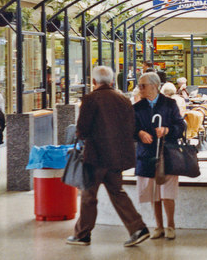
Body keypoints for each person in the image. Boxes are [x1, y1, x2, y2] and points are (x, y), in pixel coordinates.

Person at [67, 66, 150, 247]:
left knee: (89, 195)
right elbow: (131, 126)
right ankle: (138, 228)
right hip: (116, 156)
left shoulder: (90, 99)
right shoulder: (123, 99)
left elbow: (83, 129)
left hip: (96, 156)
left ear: (94, 82)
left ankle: (82, 234)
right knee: (117, 192)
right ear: (112, 81)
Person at [134, 72, 186, 241]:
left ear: (155, 86)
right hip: (147, 154)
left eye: (143, 85)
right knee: (153, 193)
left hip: (167, 153)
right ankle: (158, 226)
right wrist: (139, 133)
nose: (140, 88)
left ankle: (171, 225)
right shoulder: (137, 107)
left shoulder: (169, 104)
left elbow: (181, 125)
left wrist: (167, 130)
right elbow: (129, 128)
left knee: (167, 193)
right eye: (139, 85)